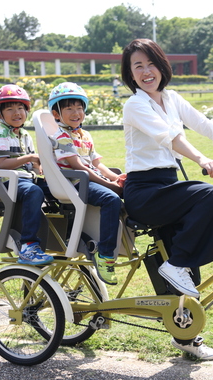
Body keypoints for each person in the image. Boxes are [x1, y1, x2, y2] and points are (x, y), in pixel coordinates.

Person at [120, 38, 213, 360]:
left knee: (190, 269)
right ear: (131, 74)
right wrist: (202, 160)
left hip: (168, 186)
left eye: (151, 64)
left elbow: (206, 125)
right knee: (209, 195)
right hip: (145, 191)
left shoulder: (171, 98)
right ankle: (175, 266)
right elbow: (168, 137)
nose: (147, 71)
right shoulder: (135, 105)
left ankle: (186, 336)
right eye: (138, 66)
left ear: (162, 66)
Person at [48, 82, 124, 285]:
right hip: (74, 184)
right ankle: (105, 254)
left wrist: (116, 178)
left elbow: (97, 163)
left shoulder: (85, 135)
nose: (76, 113)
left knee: (127, 190)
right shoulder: (61, 137)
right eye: (69, 109)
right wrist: (109, 185)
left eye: (79, 108)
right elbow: (79, 167)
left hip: (88, 179)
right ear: (56, 114)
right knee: (110, 199)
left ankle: (124, 241)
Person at [0, 84, 54, 266]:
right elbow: (3, 163)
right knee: (34, 192)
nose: (17, 113)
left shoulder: (24, 134)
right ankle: (28, 246)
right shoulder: (0, 133)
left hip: (25, 179)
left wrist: (38, 167)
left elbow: (32, 164)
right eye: (10, 109)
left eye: (20, 108)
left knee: (57, 188)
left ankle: (60, 237)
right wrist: (31, 157)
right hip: (9, 181)